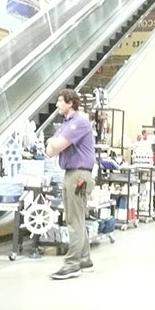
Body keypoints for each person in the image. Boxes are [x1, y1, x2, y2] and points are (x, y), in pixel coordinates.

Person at [45, 89, 96, 280]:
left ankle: (72, 264)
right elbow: (49, 151)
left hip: (79, 174)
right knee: (76, 218)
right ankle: (84, 259)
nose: (57, 105)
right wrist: (53, 142)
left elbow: (55, 146)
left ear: (70, 103)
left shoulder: (79, 122)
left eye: (60, 101)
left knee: (74, 220)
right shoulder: (65, 124)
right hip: (70, 173)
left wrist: (53, 141)